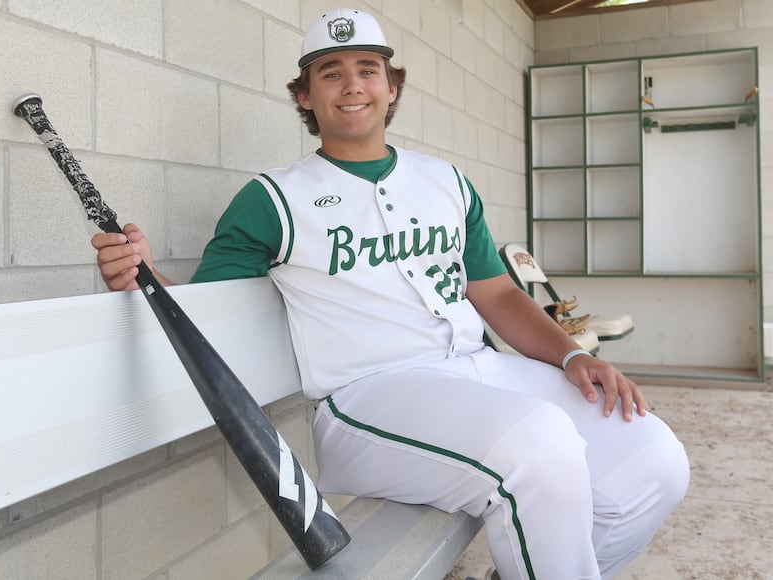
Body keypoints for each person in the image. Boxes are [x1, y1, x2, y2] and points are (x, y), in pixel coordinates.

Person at [92, 8, 689, 579]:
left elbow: (498, 294)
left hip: (482, 371)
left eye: (367, 69)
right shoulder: (273, 198)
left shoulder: (446, 180)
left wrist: (572, 355)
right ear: (305, 95)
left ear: (392, 86)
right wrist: (141, 274)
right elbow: (204, 316)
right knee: (539, 444)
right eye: (331, 72)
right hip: (370, 400)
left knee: (655, 460)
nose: (352, 85)